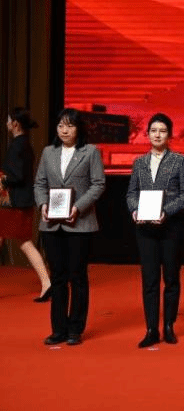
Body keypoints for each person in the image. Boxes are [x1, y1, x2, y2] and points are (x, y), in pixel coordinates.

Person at [33, 107, 106, 346]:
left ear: (78, 129)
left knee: (77, 276)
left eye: (70, 125)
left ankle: (75, 328)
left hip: (80, 223)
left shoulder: (90, 152)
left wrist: (78, 207)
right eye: (61, 125)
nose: (64, 130)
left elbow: (98, 184)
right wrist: (43, 204)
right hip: (51, 224)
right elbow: (39, 183)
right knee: (58, 278)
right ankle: (58, 329)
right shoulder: (48, 152)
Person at [125, 113, 184, 348]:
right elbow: (131, 193)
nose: (157, 135)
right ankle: (151, 329)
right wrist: (135, 209)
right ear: (147, 134)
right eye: (154, 131)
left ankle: (169, 326)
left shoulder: (179, 161)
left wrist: (166, 211)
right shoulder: (139, 162)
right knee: (150, 280)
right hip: (145, 229)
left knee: (171, 278)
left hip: (171, 228)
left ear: (169, 135)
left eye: (162, 131)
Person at [1, 107, 51, 301]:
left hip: (14, 203)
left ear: (15, 124)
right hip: (18, 201)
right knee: (23, 242)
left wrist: (2, 179)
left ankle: (47, 282)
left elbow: (17, 176)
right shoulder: (23, 144)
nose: (6, 123)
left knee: (24, 242)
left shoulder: (18, 145)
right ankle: (47, 282)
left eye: (8, 120)